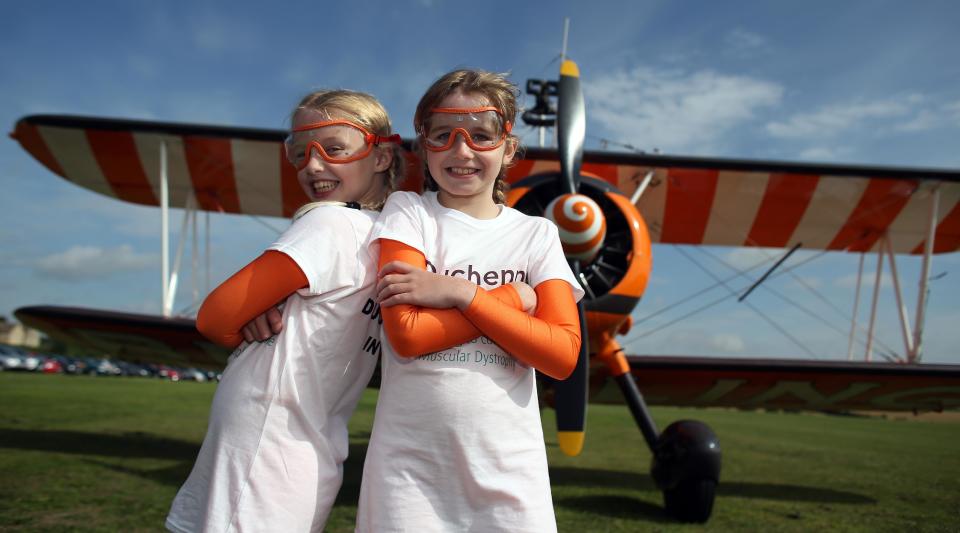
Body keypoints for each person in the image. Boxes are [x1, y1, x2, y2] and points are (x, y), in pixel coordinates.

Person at [165, 89, 405, 532]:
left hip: (262, 438)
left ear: (381, 157)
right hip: (312, 447)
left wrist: (246, 318)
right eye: (300, 153)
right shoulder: (389, 243)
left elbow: (214, 317)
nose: (313, 165)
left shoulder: (329, 222)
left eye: (333, 148)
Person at [356, 69, 584, 532]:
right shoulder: (409, 213)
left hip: (511, 476)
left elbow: (561, 355)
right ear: (424, 146)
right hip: (409, 475)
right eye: (443, 135)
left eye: (481, 135)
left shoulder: (536, 234)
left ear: (508, 147)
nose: (462, 150)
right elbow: (408, 335)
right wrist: (509, 300)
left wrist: (459, 293)